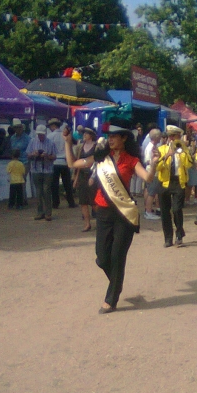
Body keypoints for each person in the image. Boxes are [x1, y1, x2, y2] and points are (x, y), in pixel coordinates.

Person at [63, 117, 159, 314]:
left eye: (114, 136)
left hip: (124, 214)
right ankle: (117, 282)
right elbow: (72, 163)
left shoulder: (132, 160)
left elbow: (148, 177)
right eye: (109, 136)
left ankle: (111, 298)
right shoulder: (100, 158)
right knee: (102, 257)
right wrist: (67, 143)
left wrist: (155, 164)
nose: (110, 139)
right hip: (104, 212)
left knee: (117, 256)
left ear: (124, 138)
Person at [157, 125, 193, 247]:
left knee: (177, 209)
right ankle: (168, 238)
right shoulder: (161, 149)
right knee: (165, 212)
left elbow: (189, 165)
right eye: (170, 136)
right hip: (165, 182)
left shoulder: (184, 150)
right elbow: (157, 167)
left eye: (174, 136)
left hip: (179, 182)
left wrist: (182, 151)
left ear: (179, 137)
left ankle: (179, 233)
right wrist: (167, 155)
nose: (172, 139)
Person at [26, 124, 57, 221]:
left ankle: (48, 213)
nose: (40, 136)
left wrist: (47, 156)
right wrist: (33, 154)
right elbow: (28, 155)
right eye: (39, 134)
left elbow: (54, 156)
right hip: (36, 169)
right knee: (38, 191)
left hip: (47, 169)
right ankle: (40, 212)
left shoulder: (51, 143)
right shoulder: (32, 142)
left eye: (42, 134)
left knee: (46, 190)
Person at [47, 118, 77, 209]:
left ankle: (55, 203)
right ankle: (71, 202)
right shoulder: (65, 135)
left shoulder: (50, 136)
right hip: (65, 161)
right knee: (67, 184)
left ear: (53, 126)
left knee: (54, 184)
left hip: (54, 162)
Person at [72, 127, 97, 231]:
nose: (84, 135)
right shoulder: (80, 147)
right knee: (83, 201)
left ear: (91, 135)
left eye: (86, 134)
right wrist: (75, 177)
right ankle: (87, 224)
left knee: (94, 201)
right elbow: (77, 161)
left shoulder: (96, 147)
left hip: (93, 175)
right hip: (82, 175)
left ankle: (100, 222)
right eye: (84, 134)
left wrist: (94, 176)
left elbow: (98, 163)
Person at [9, 118, 31, 204]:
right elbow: (12, 150)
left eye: (19, 127)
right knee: (16, 180)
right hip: (15, 161)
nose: (17, 129)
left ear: (22, 128)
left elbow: (29, 150)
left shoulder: (27, 138)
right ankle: (19, 199)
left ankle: (22, 199)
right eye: (16, 127)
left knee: (21, 179)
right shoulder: (12, 138)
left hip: (25, 161)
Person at [143, 128, 162, 220]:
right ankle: (148, 212)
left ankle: (147, 210)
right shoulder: (151, 147)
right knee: (152, 193)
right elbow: (148, 161)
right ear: (157, 137)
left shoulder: (152, 146)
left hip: (150, 171)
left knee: (149, 190)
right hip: (152, 171)